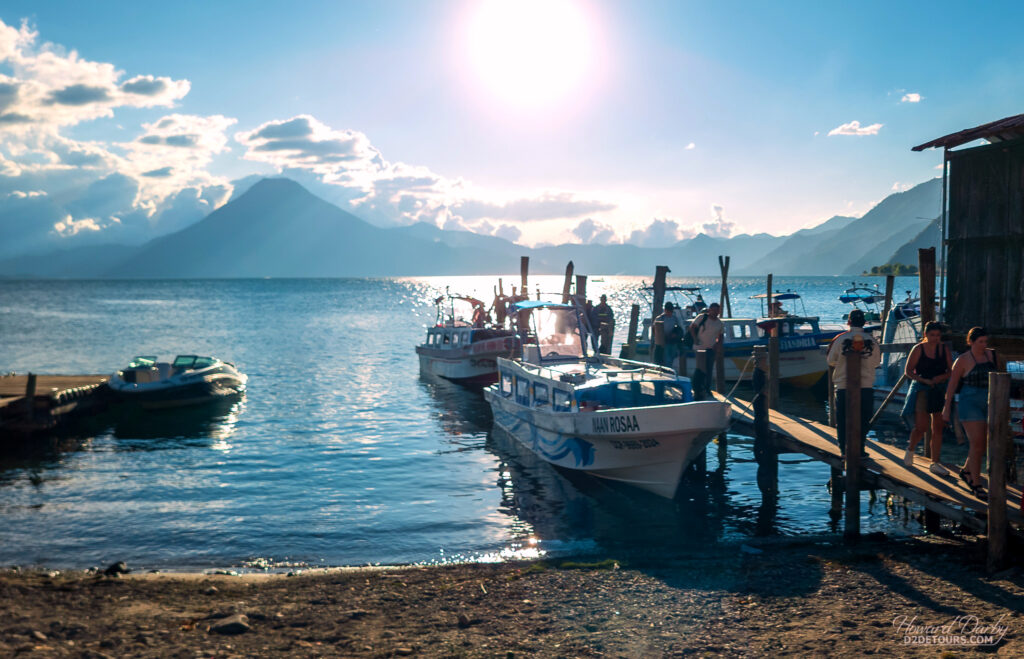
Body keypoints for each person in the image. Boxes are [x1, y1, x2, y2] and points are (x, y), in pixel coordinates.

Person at [943, 326, 1000, 501]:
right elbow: (952, 385)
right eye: (980, 342)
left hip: (989, 402)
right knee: (977, 444)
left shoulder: (991, 355)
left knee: (982, 445)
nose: (984, 345)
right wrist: (947, 407)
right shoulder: (963, 360)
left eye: (985, 341)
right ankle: (976, 484)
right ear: (971, 342)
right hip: (970, 403)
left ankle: (967, 470)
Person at [826, 309, 881, 458]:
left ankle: (844, 449)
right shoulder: (872, 341)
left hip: (843, 385)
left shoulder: (840, 339)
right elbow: (876, 362)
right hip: (866, 385)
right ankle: (860, 448)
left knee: (843, 419)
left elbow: (830, 360)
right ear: (864, 322)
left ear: (849, 322)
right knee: (864, 419)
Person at [901, 321, 952, 473]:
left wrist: (940, 378)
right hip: (921, 388)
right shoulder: (918, 349)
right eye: (932, 335)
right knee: (921, 427)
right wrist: (924, 380)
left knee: (938, 427)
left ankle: (935, 462)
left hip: (938, 388)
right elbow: (908, 371)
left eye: (937, 335)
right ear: (925, 335)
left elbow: (951, 370)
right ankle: (910, 450)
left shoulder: (944, 349)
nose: (935, 338)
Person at [689, 302, 724, 399]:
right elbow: (692, 327)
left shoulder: (719, 323)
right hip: (699, 348)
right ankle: (698, 388)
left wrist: (718, 346)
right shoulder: (702, 317)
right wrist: (695, 338)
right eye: (713, 310)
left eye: (717, 310)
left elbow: (720, 336)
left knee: (709, 369)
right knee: (700, 369)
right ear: (709, 310)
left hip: (711, 349)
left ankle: (707, 388)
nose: (715, 312)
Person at [656, 302, 680, 372]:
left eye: (671, 311)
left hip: (672, 341)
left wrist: (675, 334)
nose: (669, 312)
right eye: (668, 310)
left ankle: (669, 370)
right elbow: (655, 329)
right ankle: (667, 371)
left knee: (672, 357)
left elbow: (679, 328)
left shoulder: (675, 318)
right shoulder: (660, 318)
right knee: (666, 358)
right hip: (664, 342)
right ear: (665, 310)